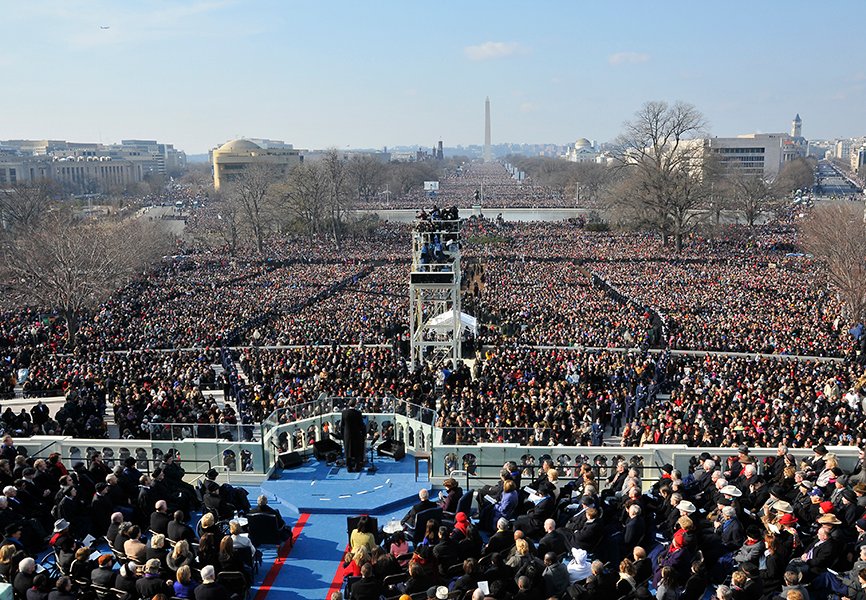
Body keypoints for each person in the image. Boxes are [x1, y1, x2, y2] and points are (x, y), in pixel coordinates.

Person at [341, 399, 366, 472]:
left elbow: (342, 425)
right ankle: (357, 466)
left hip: (347, 435)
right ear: (355, 404)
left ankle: (349, 467)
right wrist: (364, 433)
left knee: (347, 450)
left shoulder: (344, 413)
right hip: (356, 434)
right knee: (357, 450)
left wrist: (342, 435)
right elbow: (361, 425)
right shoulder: (358, 413)